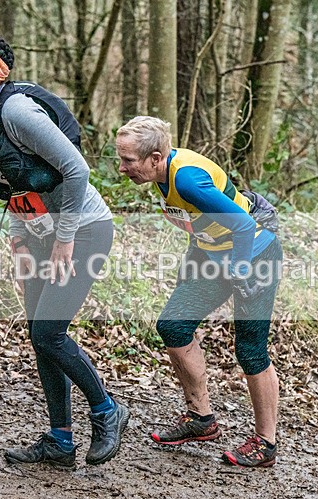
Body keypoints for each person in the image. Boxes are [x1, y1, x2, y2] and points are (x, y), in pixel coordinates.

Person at [0, 31, 128, 468]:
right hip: (39, 233)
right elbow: (15, 185)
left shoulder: (18, 110)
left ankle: (107, 410)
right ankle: (60, 440)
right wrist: (19, 237)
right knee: (41, 339)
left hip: (83, 230)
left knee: (48, 332)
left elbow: (76, 170)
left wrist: (64, 238)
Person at [115, 116, 283, 467]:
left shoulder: (187, 179)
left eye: (129, 161)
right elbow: (199, 222)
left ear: (157, 157)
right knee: (174, 325)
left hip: (255, 252)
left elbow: (241, 222)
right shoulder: (162, 176)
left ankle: (266, 443)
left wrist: (238, 270)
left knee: (250, 348)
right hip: (213, 254)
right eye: (121, 158)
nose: (122, 168)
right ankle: (201, 420)